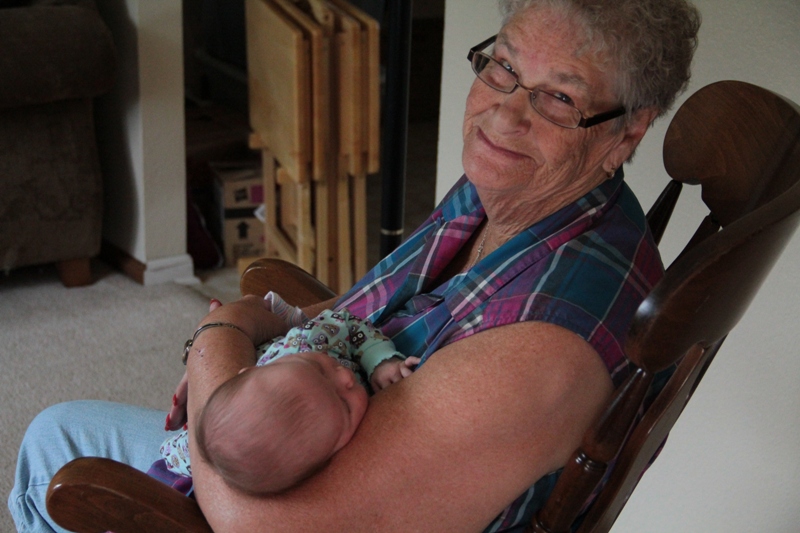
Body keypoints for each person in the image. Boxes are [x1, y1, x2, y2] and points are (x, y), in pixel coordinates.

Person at [9, 0, 701, 531]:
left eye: (560, 98)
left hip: (294, 511)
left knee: (53, 452)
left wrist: (217, 342)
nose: (505, 114)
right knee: (62, 431)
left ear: (629, 131)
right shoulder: (513, 191)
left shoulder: (543, 356)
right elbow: (366, 313)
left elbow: (265, 526)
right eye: (504, 67)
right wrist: (259, 323)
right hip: (311, 454)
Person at [157, 302, 419, 495]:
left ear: (250, 370)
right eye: (344, 405)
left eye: (318, 369)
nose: (346, 379)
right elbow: (183, 457)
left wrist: (379, 359)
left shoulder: (308, 343)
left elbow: (347, 324)